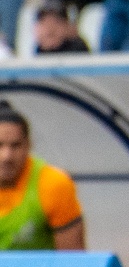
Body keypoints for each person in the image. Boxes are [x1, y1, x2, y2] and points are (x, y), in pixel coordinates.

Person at [0, 103, 83, 249]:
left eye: (15, 145)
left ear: (28, 145)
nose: (7, 156)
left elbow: (73, 262)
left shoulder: (53, 184)